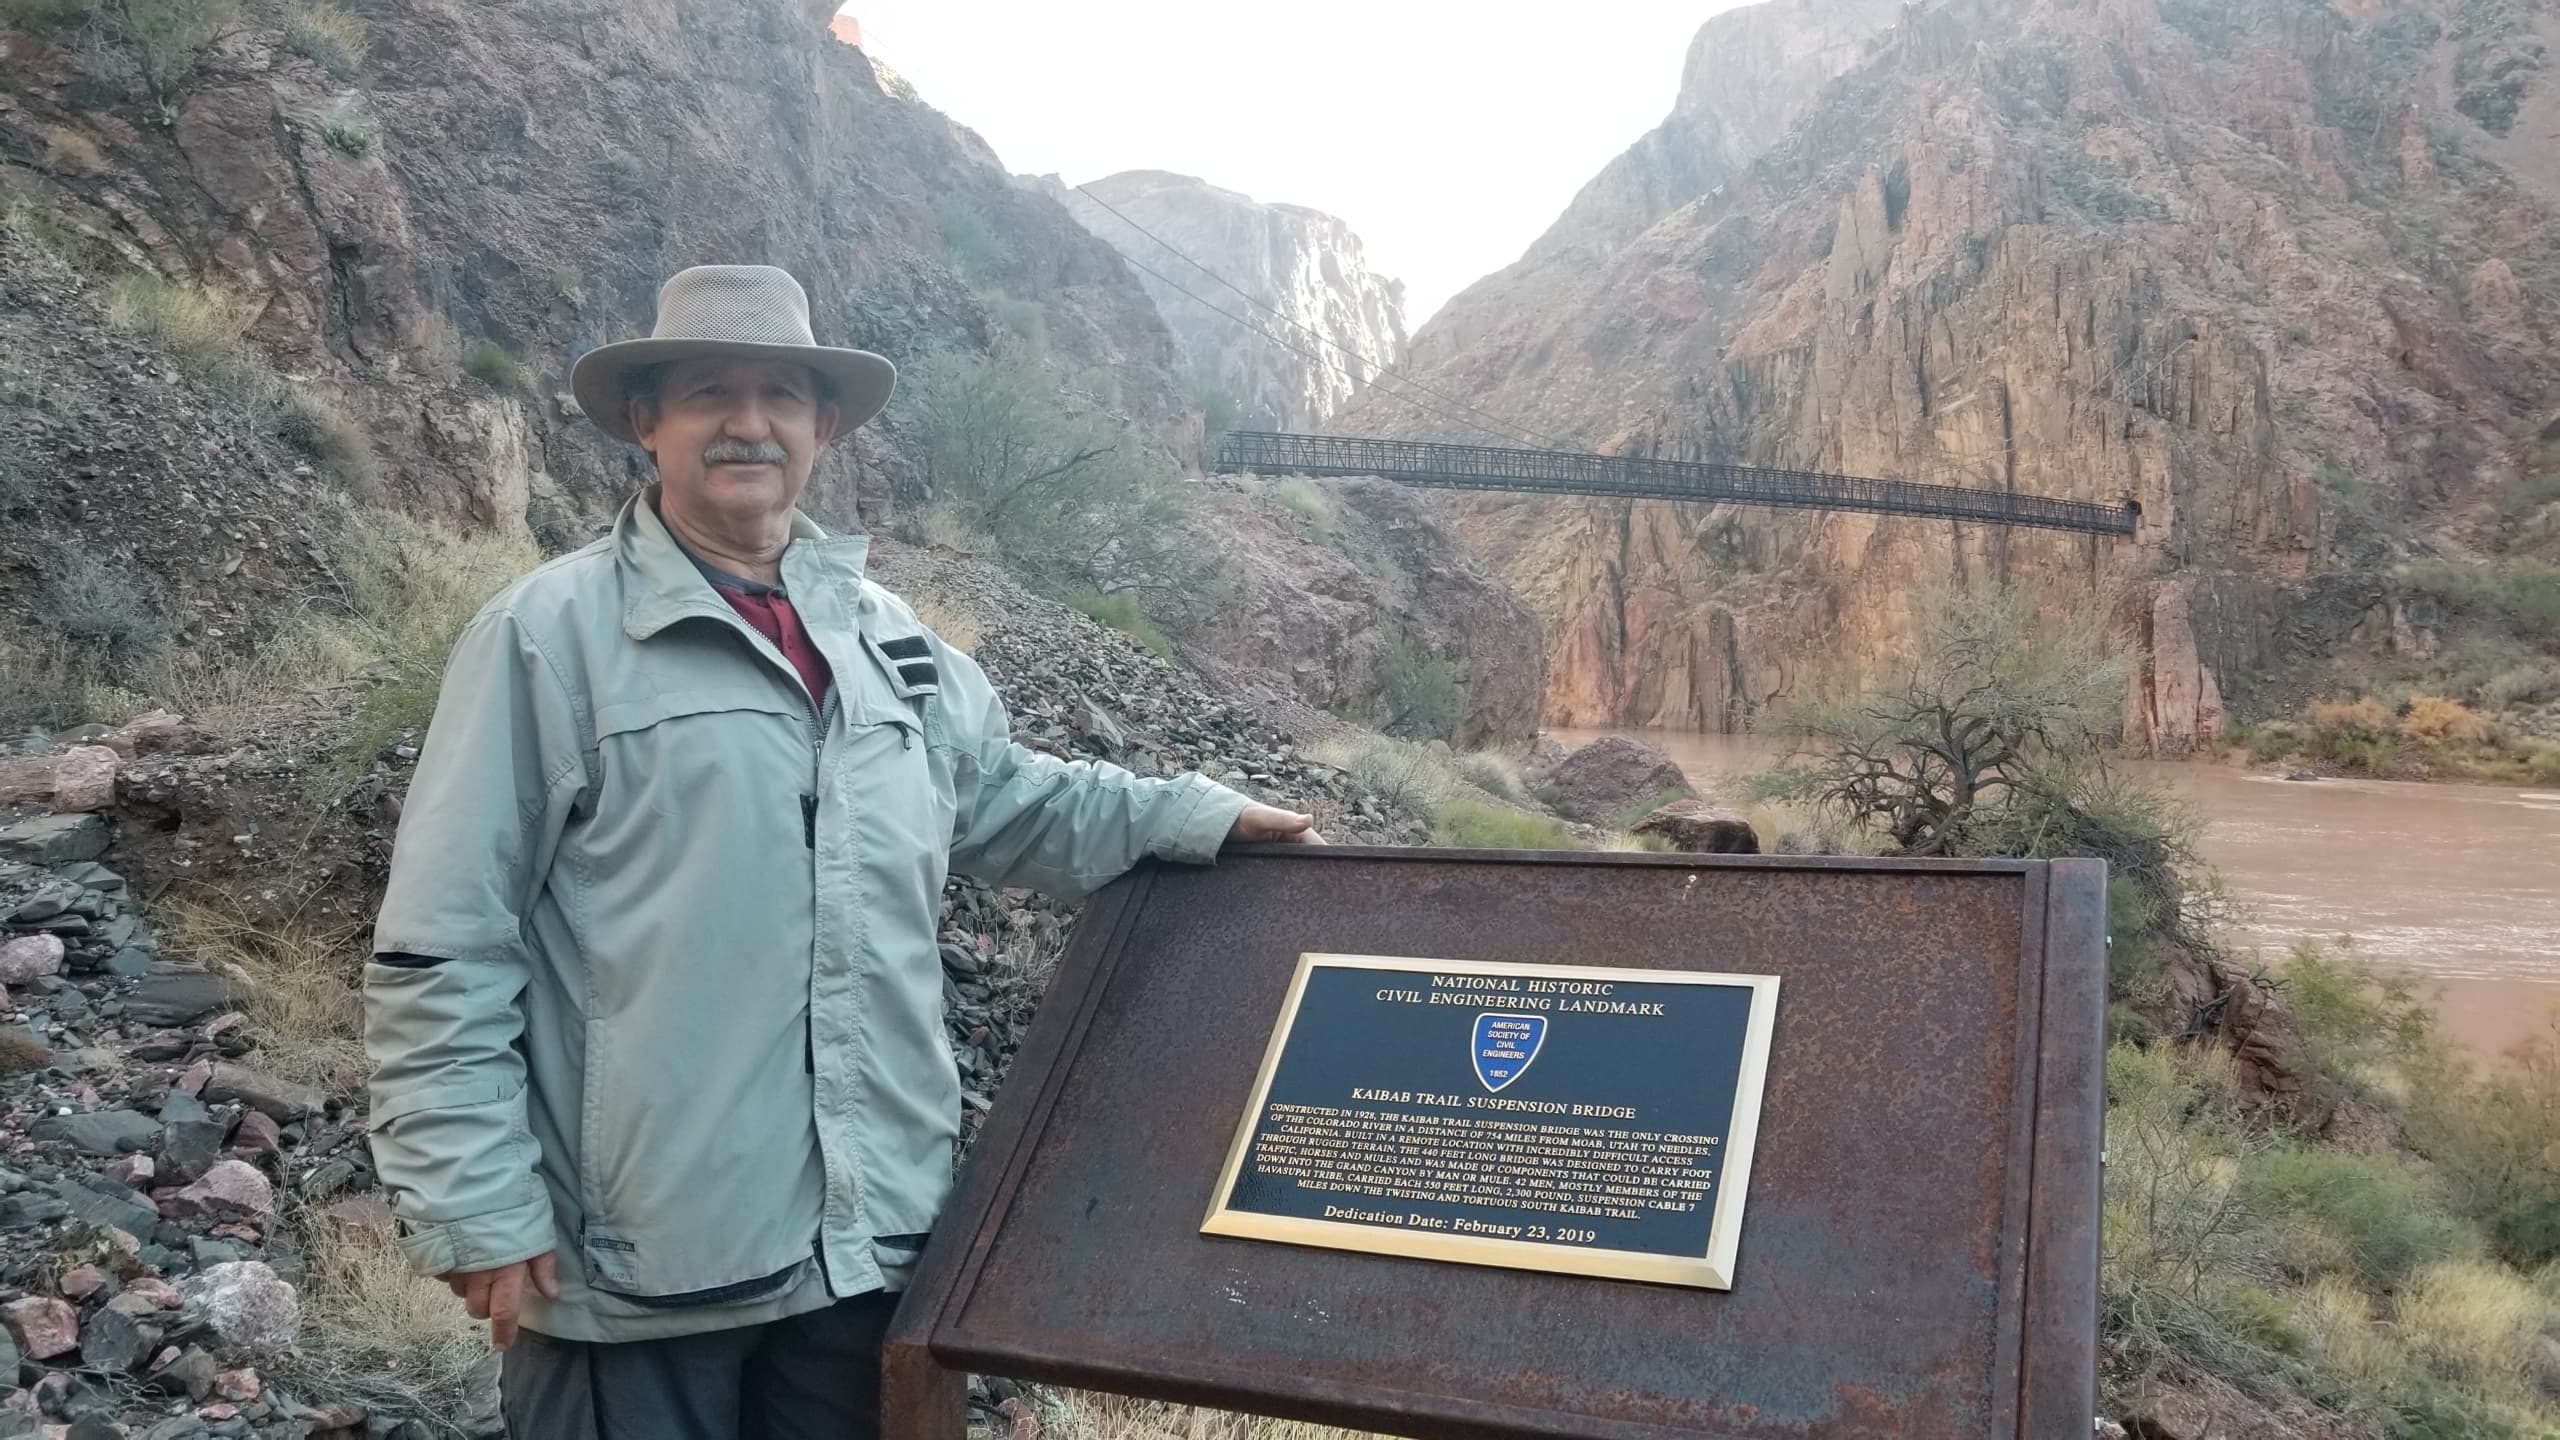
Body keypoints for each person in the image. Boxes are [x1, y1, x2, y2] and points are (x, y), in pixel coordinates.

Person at [362, 264, 1321, 1439]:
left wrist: (1187, 816)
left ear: (822, 427)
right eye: (711, 391)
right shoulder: (545, 639)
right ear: (646, 423)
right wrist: (474, 1200)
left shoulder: (888, 639)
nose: (748, 422)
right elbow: (444, 942)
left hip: (867, 1247)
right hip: (642, 1262)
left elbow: (1005, 802)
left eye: (781, 395)